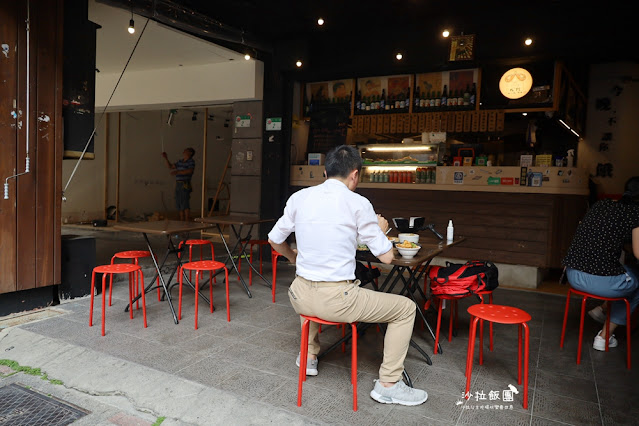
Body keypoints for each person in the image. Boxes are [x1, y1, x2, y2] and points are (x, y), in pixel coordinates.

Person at [267, 144, 428, 406]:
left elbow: (274, 240)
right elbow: (387, 257)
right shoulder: (358, 203)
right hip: (337, 301)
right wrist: (381, 230)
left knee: (314, 288)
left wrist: (293, 257)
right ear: (354, 175)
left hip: (299, 295)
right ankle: (389, 384)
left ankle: (308, 358)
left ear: (325, 171)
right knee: (406, 308)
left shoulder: (300, 198)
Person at [562, 176, 639, 351]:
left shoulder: (601, 205)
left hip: (573, 275)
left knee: (625, 272)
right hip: (599, 283)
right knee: (636, 281)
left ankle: (602, 310)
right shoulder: (635, 213)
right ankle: (604, 337)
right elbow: (638, 252)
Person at [162, 148, 195, 221]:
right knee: (178, 201)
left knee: (185, 201)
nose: (183, 151)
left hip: (185, 183)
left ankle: (186, 220)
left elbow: (189, 171)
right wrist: (166, 158)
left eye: (185, 150)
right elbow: (170, 167)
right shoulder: (180, 161)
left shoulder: (191, 162)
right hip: (178, 183)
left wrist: (177, 172)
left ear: (190, 153)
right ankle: (181, 219)